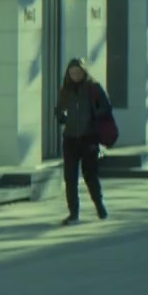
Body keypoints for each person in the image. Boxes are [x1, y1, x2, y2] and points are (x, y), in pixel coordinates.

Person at [55, 58, 113, 224]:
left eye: (78, 73)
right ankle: (73, 213)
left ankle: (100, 206)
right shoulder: (66, 89)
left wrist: (93, 116)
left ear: (84, 72)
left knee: (90, 175)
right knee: (70, 177)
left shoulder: (93, 87)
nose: (75, 76)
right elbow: (59, 108)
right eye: (72, 73)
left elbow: (106, 106)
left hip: (89, 137)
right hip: (70, 138)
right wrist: (62, 117)